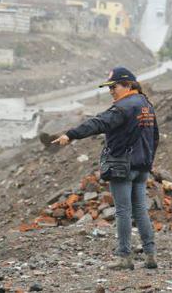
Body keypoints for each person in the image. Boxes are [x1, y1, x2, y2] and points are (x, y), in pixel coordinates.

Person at [52, 67, 159, 270]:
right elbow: (155, 137)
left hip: (122, 166)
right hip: (142, 166)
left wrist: (71, 134)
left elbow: (98, 123)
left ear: (127, 85)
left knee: (123, 212)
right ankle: (150, 255)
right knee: (140, 210)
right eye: (109, 87)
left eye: (114, 86)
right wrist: (148, 160)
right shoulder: (147, 104)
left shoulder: (123, 107)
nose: (111, 91)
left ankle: (124, 257)